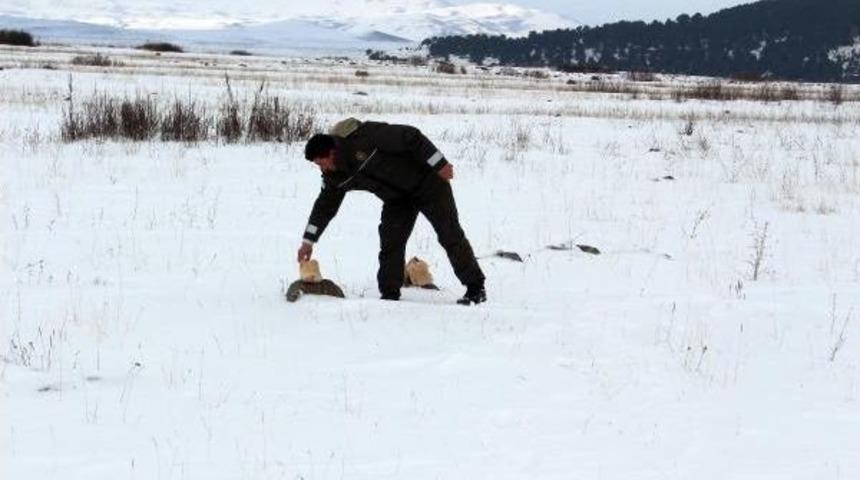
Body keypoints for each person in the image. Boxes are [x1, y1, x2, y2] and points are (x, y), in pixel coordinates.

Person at [298, 118, 486, 305]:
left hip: (429, 183)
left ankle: (475, 287)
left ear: (332, 153)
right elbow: (323, 208)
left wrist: (439, 163)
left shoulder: (366, 137)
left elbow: (411, 136)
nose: (322, 168)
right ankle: (390, 296)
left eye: (322, 163)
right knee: (391, 242)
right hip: (397, 199)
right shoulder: (334, 176)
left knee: (449, 234)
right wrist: (308, 241)